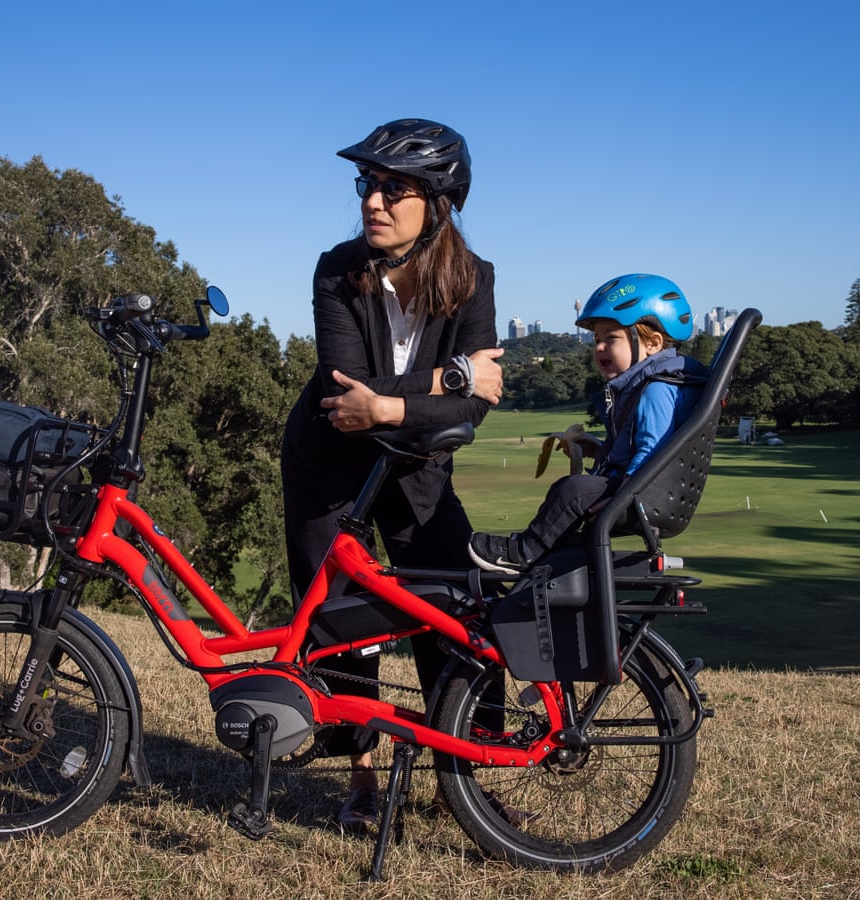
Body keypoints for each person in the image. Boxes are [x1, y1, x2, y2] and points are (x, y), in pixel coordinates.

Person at [280, 118, 503, 830]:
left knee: (460, 612)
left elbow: (478, 407)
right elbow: (346, 393)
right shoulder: (334, 269)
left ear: (437, 204)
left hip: (416, 468)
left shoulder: (474, 280)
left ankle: (459, 775)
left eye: (393, 189)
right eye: (367, 185)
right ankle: (362, 779)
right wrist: (444, 380)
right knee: (336, 621)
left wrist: (392, 402)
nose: (372, 202)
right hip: (327, 465)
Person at [468, 273, 708, 574]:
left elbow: (653, 449)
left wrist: (623, 494)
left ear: (652, 344)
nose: (599, 347)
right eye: (596, 339)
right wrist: (598, 452)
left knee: (573, 490)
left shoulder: (657, 389)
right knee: (573, 490)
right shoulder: (647, 385)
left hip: (641, 494)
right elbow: (633, 443)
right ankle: (551, 553)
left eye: (611, 338)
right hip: (639, 489)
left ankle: (522, 554)